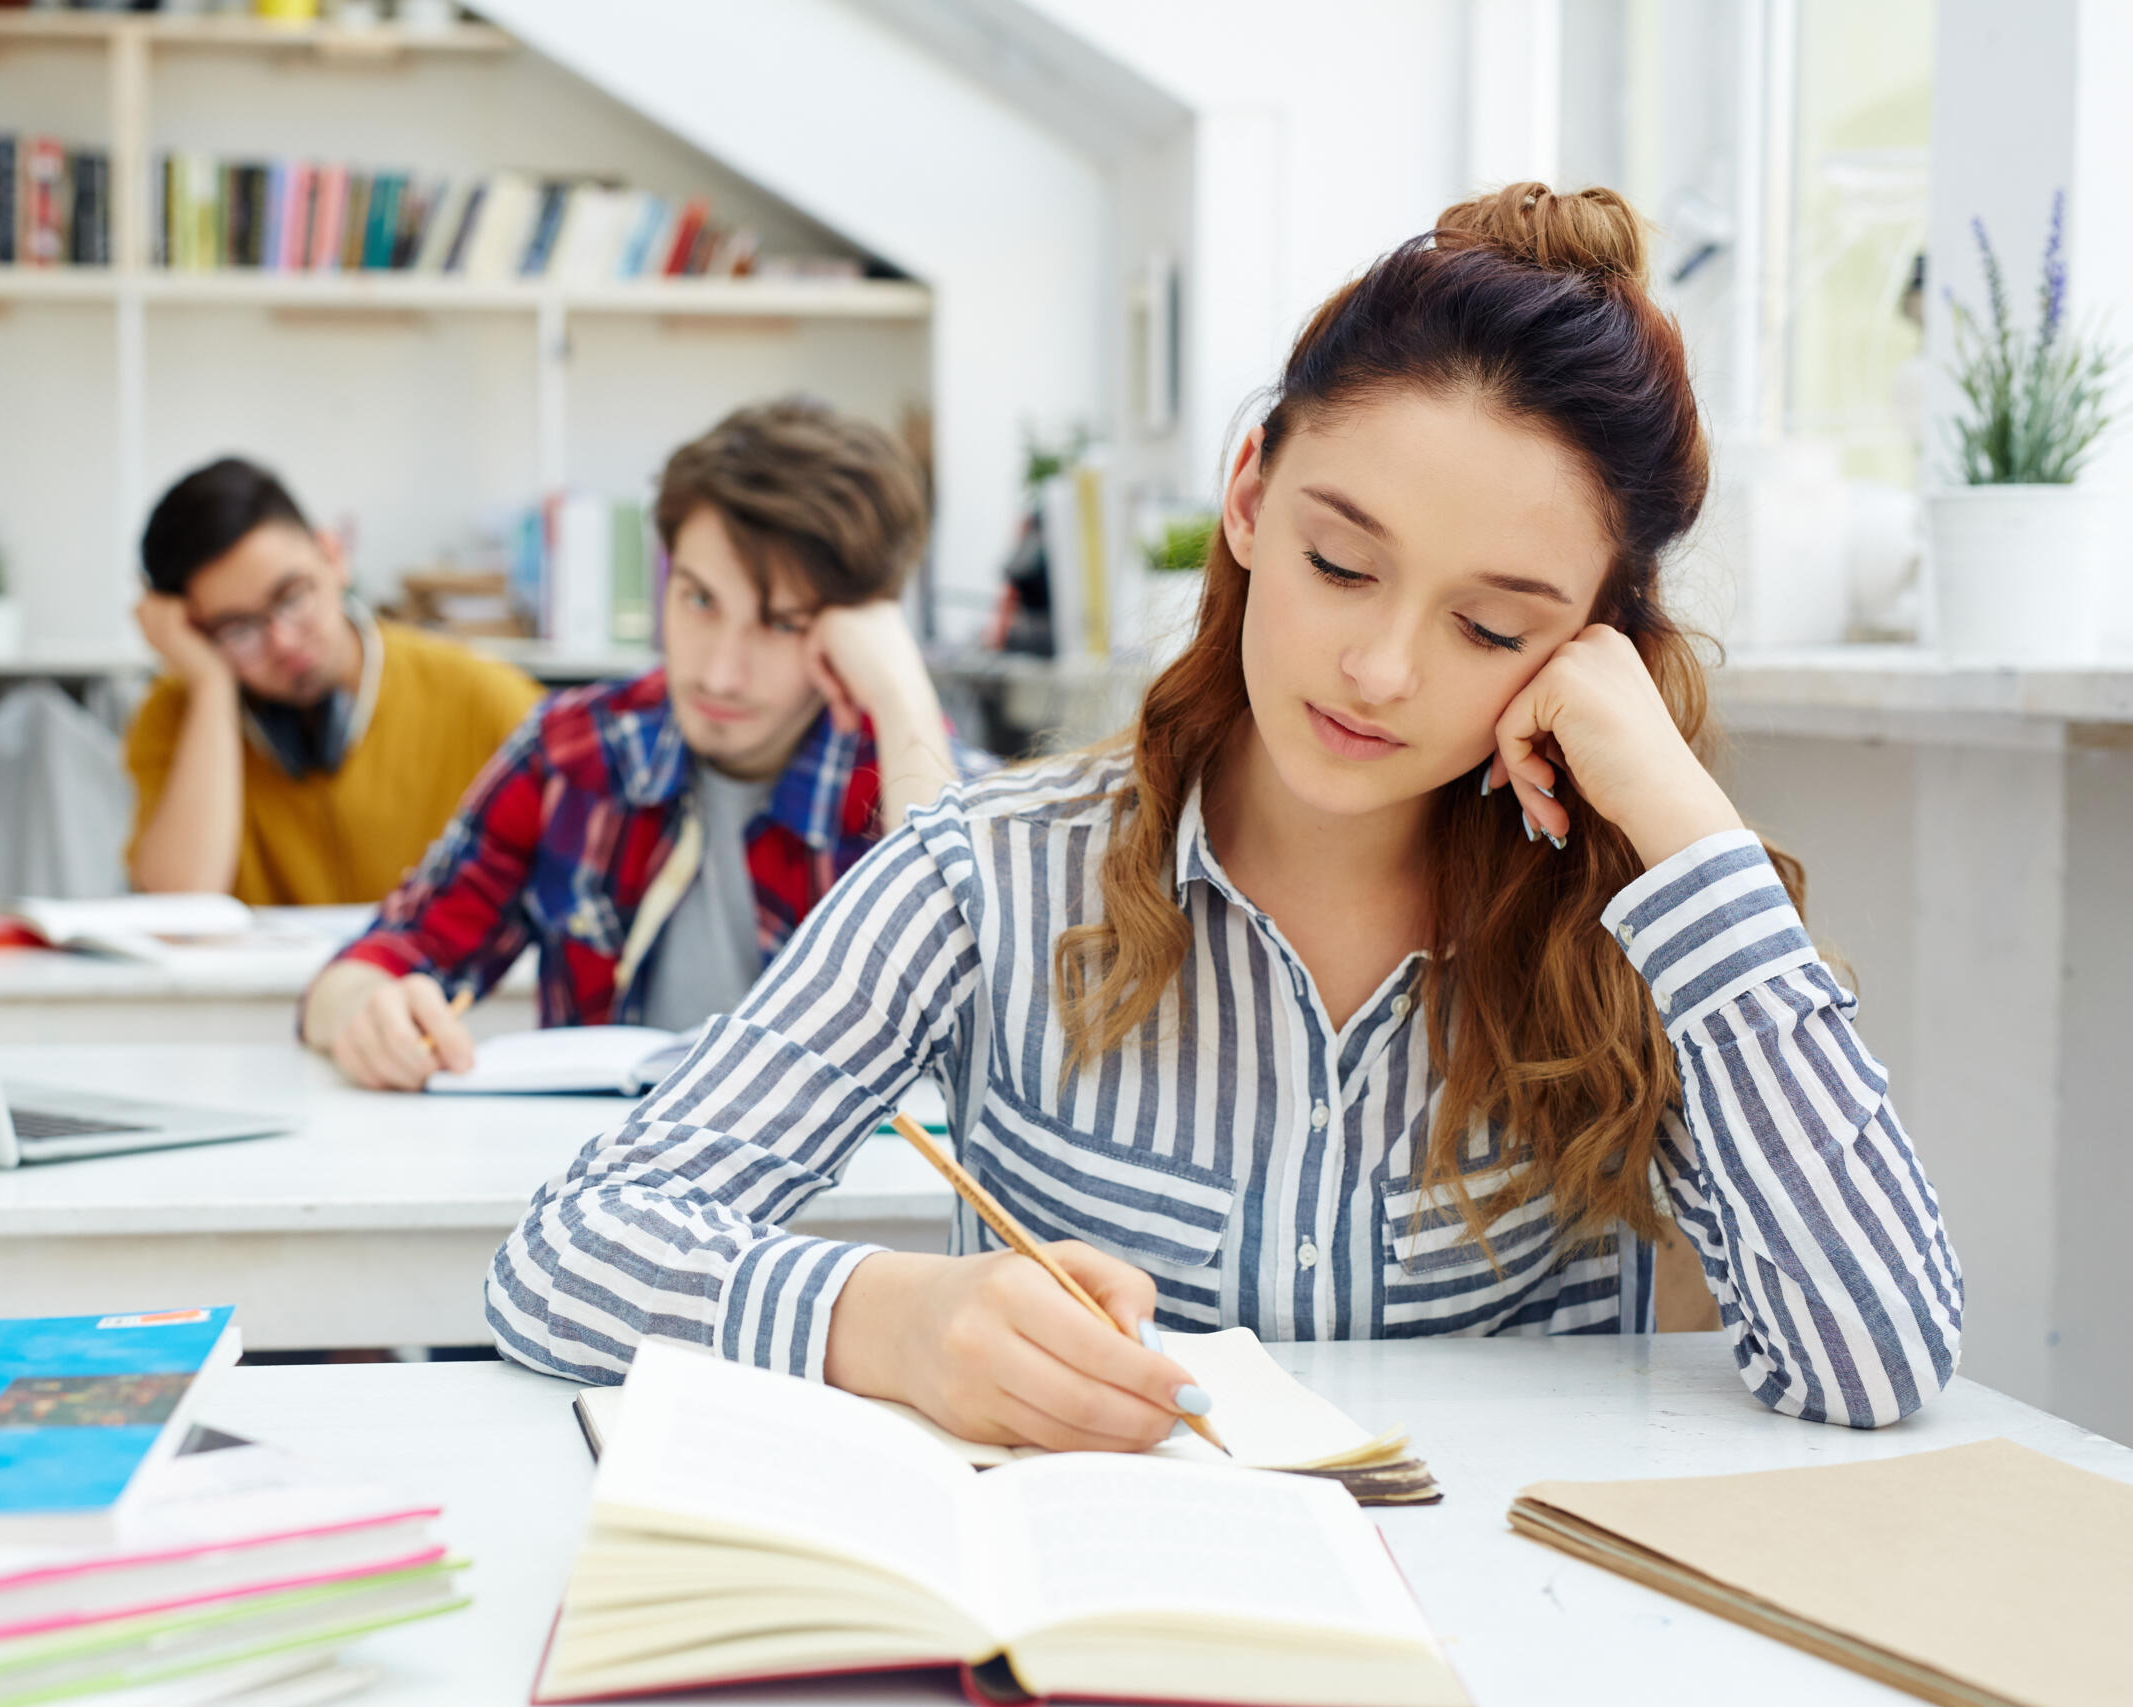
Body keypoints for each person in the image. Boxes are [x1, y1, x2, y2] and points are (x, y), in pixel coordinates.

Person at [485, 185, 1964, 1440]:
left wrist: (1682, 822)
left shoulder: (1630, 923)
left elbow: (1879, 1360)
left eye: (1493, 630)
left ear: (1594, 648)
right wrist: (891, 1318)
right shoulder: (983, 876)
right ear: (1251, 498)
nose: (1381, 670)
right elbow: (564, 1255)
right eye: (1340, 563)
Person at [302, 398, 979, 1090]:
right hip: (602, 1190)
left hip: (850, 1198)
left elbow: (979, 1028)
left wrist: (901, 693)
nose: (719, 671)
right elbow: (362, 967)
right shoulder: (576, 751)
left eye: (780, 623)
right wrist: (368, 1011)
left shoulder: (914, 764)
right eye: (699, 600)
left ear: (860, 626)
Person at [123, 458, 543, 906]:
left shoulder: (487, 700)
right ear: (194, 631)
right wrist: (211, 687)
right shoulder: (175, 716)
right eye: (237, 629)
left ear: (333, 555)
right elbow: (178, 910)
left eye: (291, 597)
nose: (282, 641)